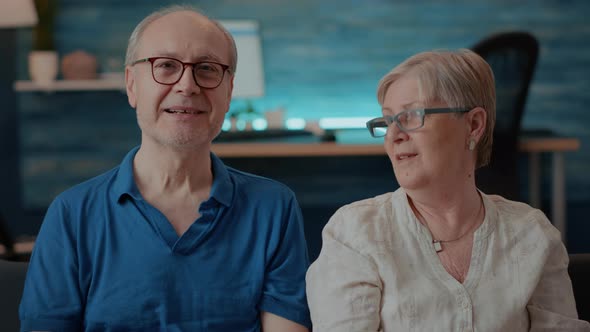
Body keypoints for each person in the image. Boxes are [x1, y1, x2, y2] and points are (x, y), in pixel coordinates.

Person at [20, 5, 311, 331]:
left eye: (207, 68)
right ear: (132, 85)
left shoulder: (273, 207)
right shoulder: (72, 215)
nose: (187, 85)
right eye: (167, 66)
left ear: (229, 92)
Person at [306, 49, 589, 331]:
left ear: (474, 125)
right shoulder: (355, 234)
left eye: (411, 116)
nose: (394, 135)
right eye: (388, 121)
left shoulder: (532, 235)